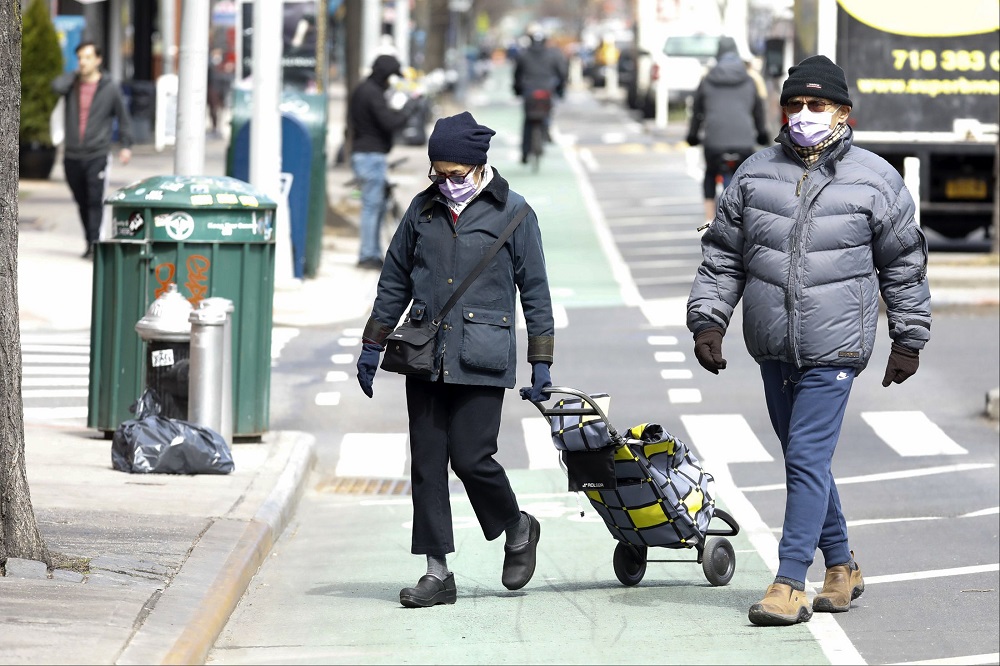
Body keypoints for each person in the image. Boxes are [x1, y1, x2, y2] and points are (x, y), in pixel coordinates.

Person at [686, 55, 931, 626]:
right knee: (806, 461)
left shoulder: (876, 179)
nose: (803, 114)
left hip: (838, 346)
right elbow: (723, 254)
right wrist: (708, 321)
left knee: (805, 456)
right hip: (774, 345)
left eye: (816, 105)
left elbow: (903, 263)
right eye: (794, 104)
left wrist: (908, 337)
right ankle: (842, 566)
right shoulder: (753, 173)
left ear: (843, 113)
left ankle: (790, 581)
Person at [355, 111, 555, 608]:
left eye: (455, 175)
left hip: (482, 357)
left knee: (471, 458)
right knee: (426, 463)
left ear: (478, 166)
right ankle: (437, 573)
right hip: (424, 355)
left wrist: (541, 361)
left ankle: (516, 525)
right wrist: (373, 341)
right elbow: (395, 279)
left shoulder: (514, 214)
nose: (445, 184)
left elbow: (536, 292)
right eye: (437, 173)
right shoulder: (422, 212)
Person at [52, 41, 133, 259]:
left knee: (94, 199)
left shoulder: (110, 87)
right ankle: (89, 239)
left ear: (98, 60)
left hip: (97, 153)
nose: (83, 62)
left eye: (88, 57)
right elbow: (55, 86)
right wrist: (75, 75)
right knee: (81, 200)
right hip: (72, 154)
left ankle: (94, 243)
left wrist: (126, 145)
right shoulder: (72, 85)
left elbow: (123, 118)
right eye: (80, 58)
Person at [686, 36, 769, 225]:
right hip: (744, 143)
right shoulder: (749, 80)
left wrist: (692, 136)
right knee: (746, 179)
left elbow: (697, 112)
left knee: (709, 174)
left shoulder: (707, 80)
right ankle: (747, 219)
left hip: (714, 143)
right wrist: (762, 134)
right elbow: (758, 112)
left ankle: (708, 221)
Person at [347, 53, 417, 269]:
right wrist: (408, 110)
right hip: (370, 156)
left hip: (368, 155)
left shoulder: (364, 90)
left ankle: (373, 252)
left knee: (376, 206)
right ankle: (368, 254)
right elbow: (389, 122)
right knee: (371, 206)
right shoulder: (372, 93)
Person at [512, 23, 567, 164]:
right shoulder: (553, 55)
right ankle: (546, 132)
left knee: (527, 122)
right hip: (547, 91)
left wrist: (517, 90)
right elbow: (562, 74)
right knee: (548, 112)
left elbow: (517, 76)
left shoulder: (523, 54)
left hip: (529, 92)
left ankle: (524, 153)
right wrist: (560, 90)